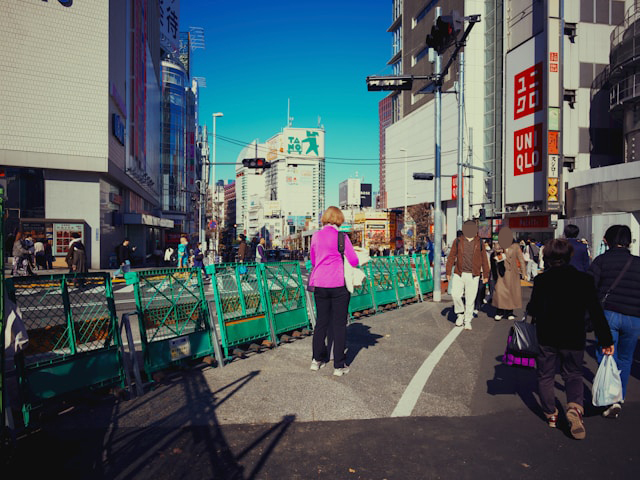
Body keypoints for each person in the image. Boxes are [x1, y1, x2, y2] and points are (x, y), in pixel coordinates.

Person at [527, 238, 614, 439]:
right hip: (574, 335)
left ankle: (551, 414)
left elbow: (533, 309)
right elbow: (595, 311)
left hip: (547, 336)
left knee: (545, 375)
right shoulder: (583, 280)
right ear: (570, 256)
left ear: (547, 257)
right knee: (573, 374)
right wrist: (606, 340)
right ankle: (574, 408)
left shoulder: (542, 280)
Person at [588, 224, 640, 419]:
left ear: (607, 240)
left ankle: (610, 398)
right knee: (626, 359)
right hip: (634, 317)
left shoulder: (601, 261)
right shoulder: (637, 262)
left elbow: (590, 288)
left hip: (608, 315)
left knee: (607, 355)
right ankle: (619, 397)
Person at [308, 206, 359, 376]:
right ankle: (339, 365)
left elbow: (313, 260)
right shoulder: (342, 237)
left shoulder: (316, 236)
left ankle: (316, 360)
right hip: (338, 284)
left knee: (321, 322)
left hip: (320, 284)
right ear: (339, 219)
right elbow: (354, 261)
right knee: (339, 325)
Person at [445, 221, 490, 330]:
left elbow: (484, 259)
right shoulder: (458, 241)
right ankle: (460, 314)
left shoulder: (479, 242)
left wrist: (486, 275)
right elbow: (451, 256)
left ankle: (467, 320)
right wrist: (448, 271)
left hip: (474, 275)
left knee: (470, 299)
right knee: (455, 295)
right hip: (459, 273)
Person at [492, 227, 526, 320]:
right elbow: (495, 256)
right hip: (501, 272)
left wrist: (524, 273)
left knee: (511, 293)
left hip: (512, 273)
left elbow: (521, 260)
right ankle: (499, 312)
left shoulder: (515, 246)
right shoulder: (498, 245)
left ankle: (509, 312)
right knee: (500, 292)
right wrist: (498, 251)